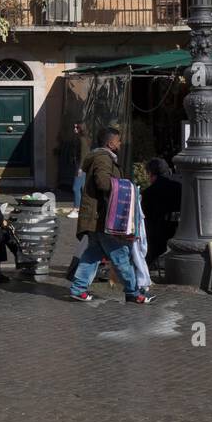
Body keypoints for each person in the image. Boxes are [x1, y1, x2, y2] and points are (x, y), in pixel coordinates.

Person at [70, 126, 154, 303]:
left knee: (92, 254)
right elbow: (103, 183)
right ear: (110, 143)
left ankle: (78, 289)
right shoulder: (103, 159)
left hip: (97, 218)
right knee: (120, 254)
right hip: (104, 218)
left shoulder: (102, 158)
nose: (120, 143)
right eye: (118, 140)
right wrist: (126, 187)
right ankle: (134, 292)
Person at [142, 157, 182, 268]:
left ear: (151, 173)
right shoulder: (179, 186)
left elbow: (147, 214)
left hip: (158, 231)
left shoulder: (149, 192)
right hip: (179, 228)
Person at [69, 121, 90, 219]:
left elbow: (84, 155)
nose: (74, 129)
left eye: (76, 127)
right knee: (83, 188)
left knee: (76, 188)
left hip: (81, 167)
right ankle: (83, 209)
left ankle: (76, 209)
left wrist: (80, 168)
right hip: (81, 166)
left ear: (80, 128)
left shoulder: (82, 140)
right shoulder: (79, 138)